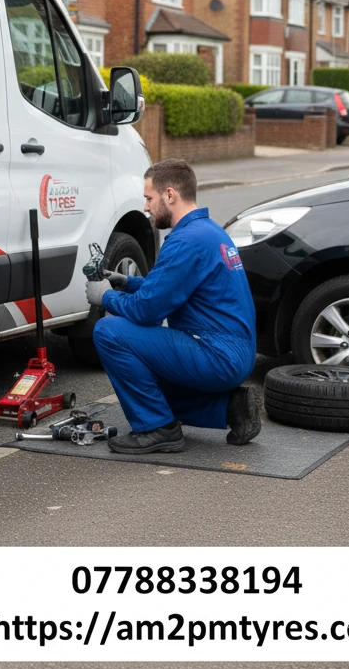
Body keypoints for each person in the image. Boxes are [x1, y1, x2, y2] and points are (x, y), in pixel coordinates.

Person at [84, 158, 260, 454]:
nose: (146, 207)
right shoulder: (209, 231)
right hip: (234, 353)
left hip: (216, 354)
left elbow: (149, 311)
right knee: (143, 385)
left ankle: (157, 429)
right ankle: (231, 408)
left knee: (108, 331)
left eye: (149, 198)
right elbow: (173, 289)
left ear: (169, 195)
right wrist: (127, 283)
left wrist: (105, 297)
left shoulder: (184, 241)